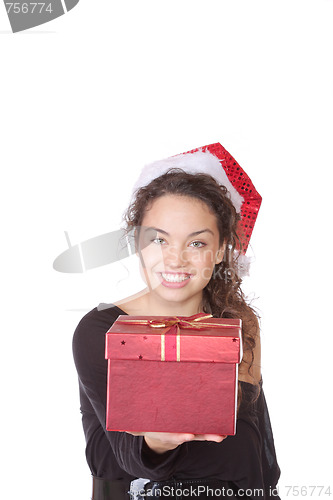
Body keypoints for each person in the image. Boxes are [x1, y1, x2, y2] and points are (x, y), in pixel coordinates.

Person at [72, 144, 281, 500]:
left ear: (220, 250)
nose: (176, 259)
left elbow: (256, 452)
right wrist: (156, 440)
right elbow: (123, 455)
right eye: (158, 239)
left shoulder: (238, 325)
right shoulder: (103, 331)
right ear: (137, 241)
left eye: (196, 243)